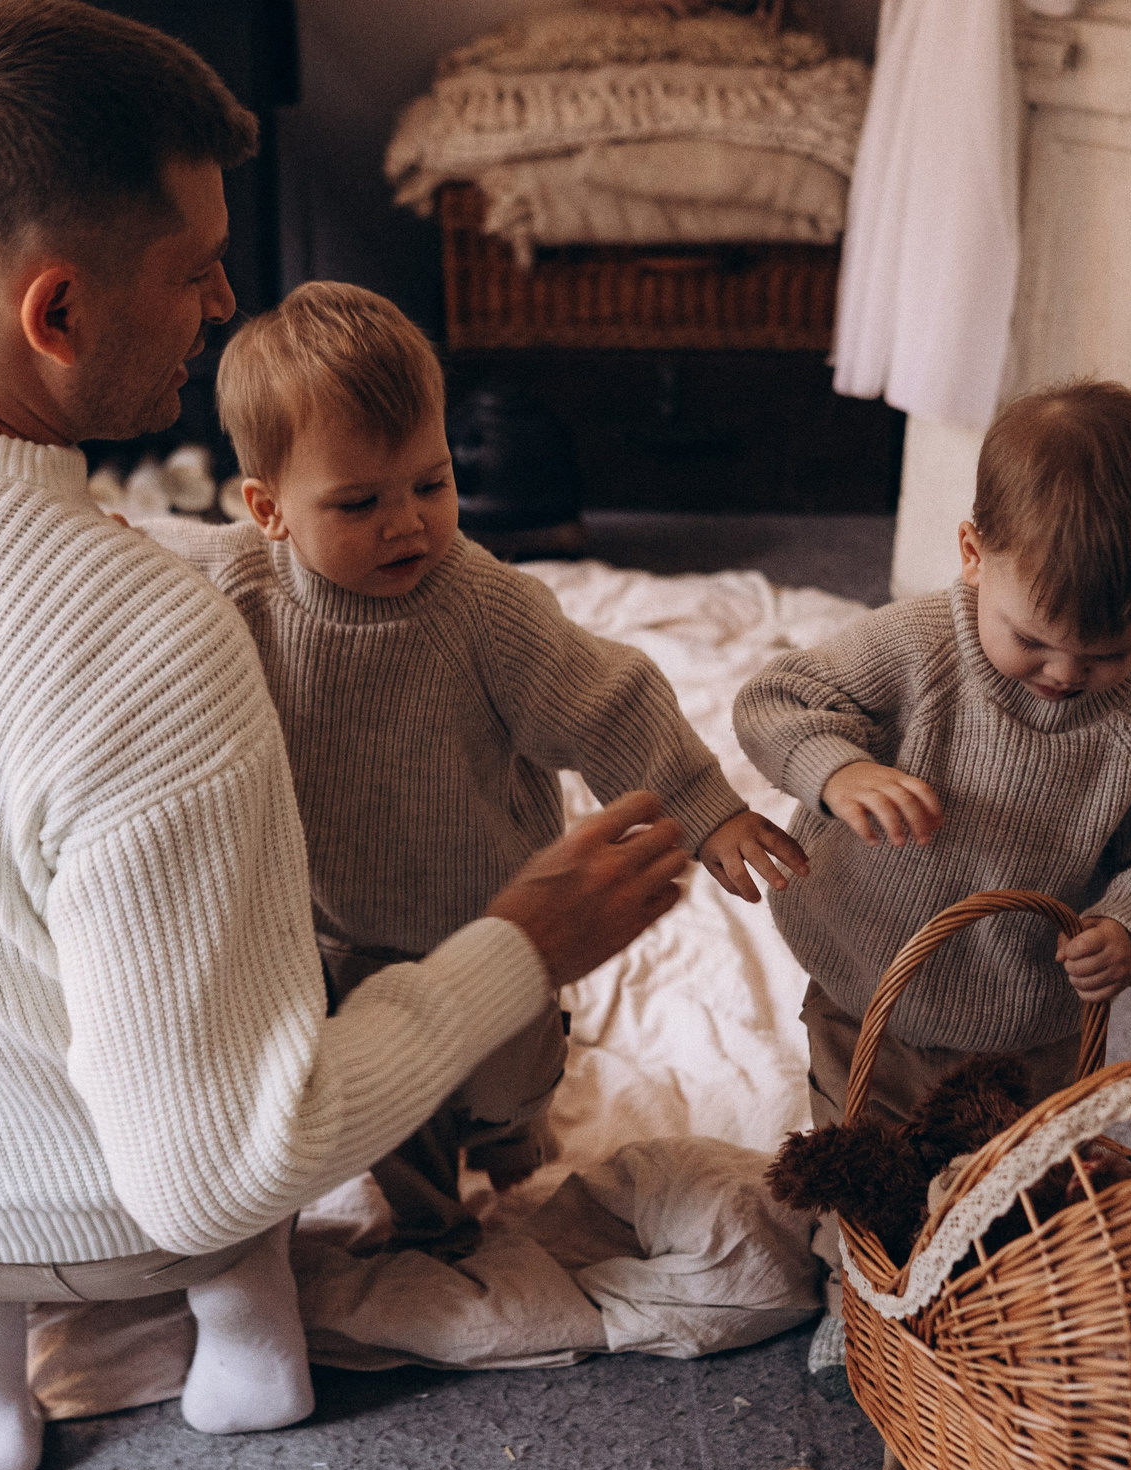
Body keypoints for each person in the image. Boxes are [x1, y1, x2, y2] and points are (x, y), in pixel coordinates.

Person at [0, 0, 691, 1470]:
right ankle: (239, 1345)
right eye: (193, 273)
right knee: (271, 1015)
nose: (227, 298)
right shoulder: (149, 641)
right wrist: (521, 937)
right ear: (55, 313)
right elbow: (222, 1162)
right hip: (111, 1219)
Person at [152, 281, 806, 1255]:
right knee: (389, 1101)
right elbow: (141, 557)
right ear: (267, 510)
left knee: (506, 1077)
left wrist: (706, 811)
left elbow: (609, 697)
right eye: (360, 503)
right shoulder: (239, 581)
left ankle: (510, 1127)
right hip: (342, 931)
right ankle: (428, 1218)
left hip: (500, 914)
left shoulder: (479, 606)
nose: (408, 523)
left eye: (432, 482)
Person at [733, 379, 1131, 1132]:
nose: (1067, 674)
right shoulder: (915, 644)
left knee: (1015, 1174)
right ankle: (854, 1249)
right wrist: (839, 769)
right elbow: (776, 698)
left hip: (1028, 1018)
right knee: (862, 1147)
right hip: (866, 976)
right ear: (973, 554)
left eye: (1108, 652)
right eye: (1033, 641)